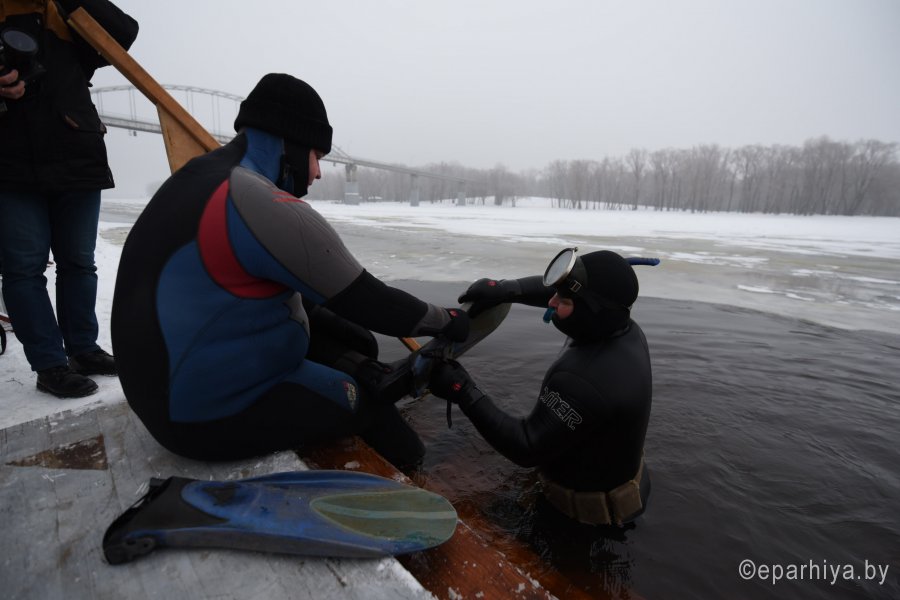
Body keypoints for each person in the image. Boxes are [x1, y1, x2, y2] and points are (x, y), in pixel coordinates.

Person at [111, 73, 469, 467]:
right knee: (370, 406)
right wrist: (447, 320)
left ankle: (363, 373)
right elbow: (370, 301)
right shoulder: (255, 199)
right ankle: (412, 476)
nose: (317, 173)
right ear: (291, 143)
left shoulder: (201, 178)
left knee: (354, 338)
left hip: (166, 393)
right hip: (202, 418)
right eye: (317, 156)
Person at [426, 248, 653, 526]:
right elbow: (563, 294)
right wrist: (507, 289)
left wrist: (462, 388)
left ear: (591, 311)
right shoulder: (621, 328)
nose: (551, 301)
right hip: (622, 483)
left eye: (564, 300)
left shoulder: (583, 380)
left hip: (585, 521)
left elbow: (527, 446)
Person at [0, 0, 137, 397]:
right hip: (10, 160)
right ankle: (50, 365)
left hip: (77, 155)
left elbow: (123, 35)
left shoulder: (68, 10)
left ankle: (83, 349)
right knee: (24, 268)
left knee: (79, 262)